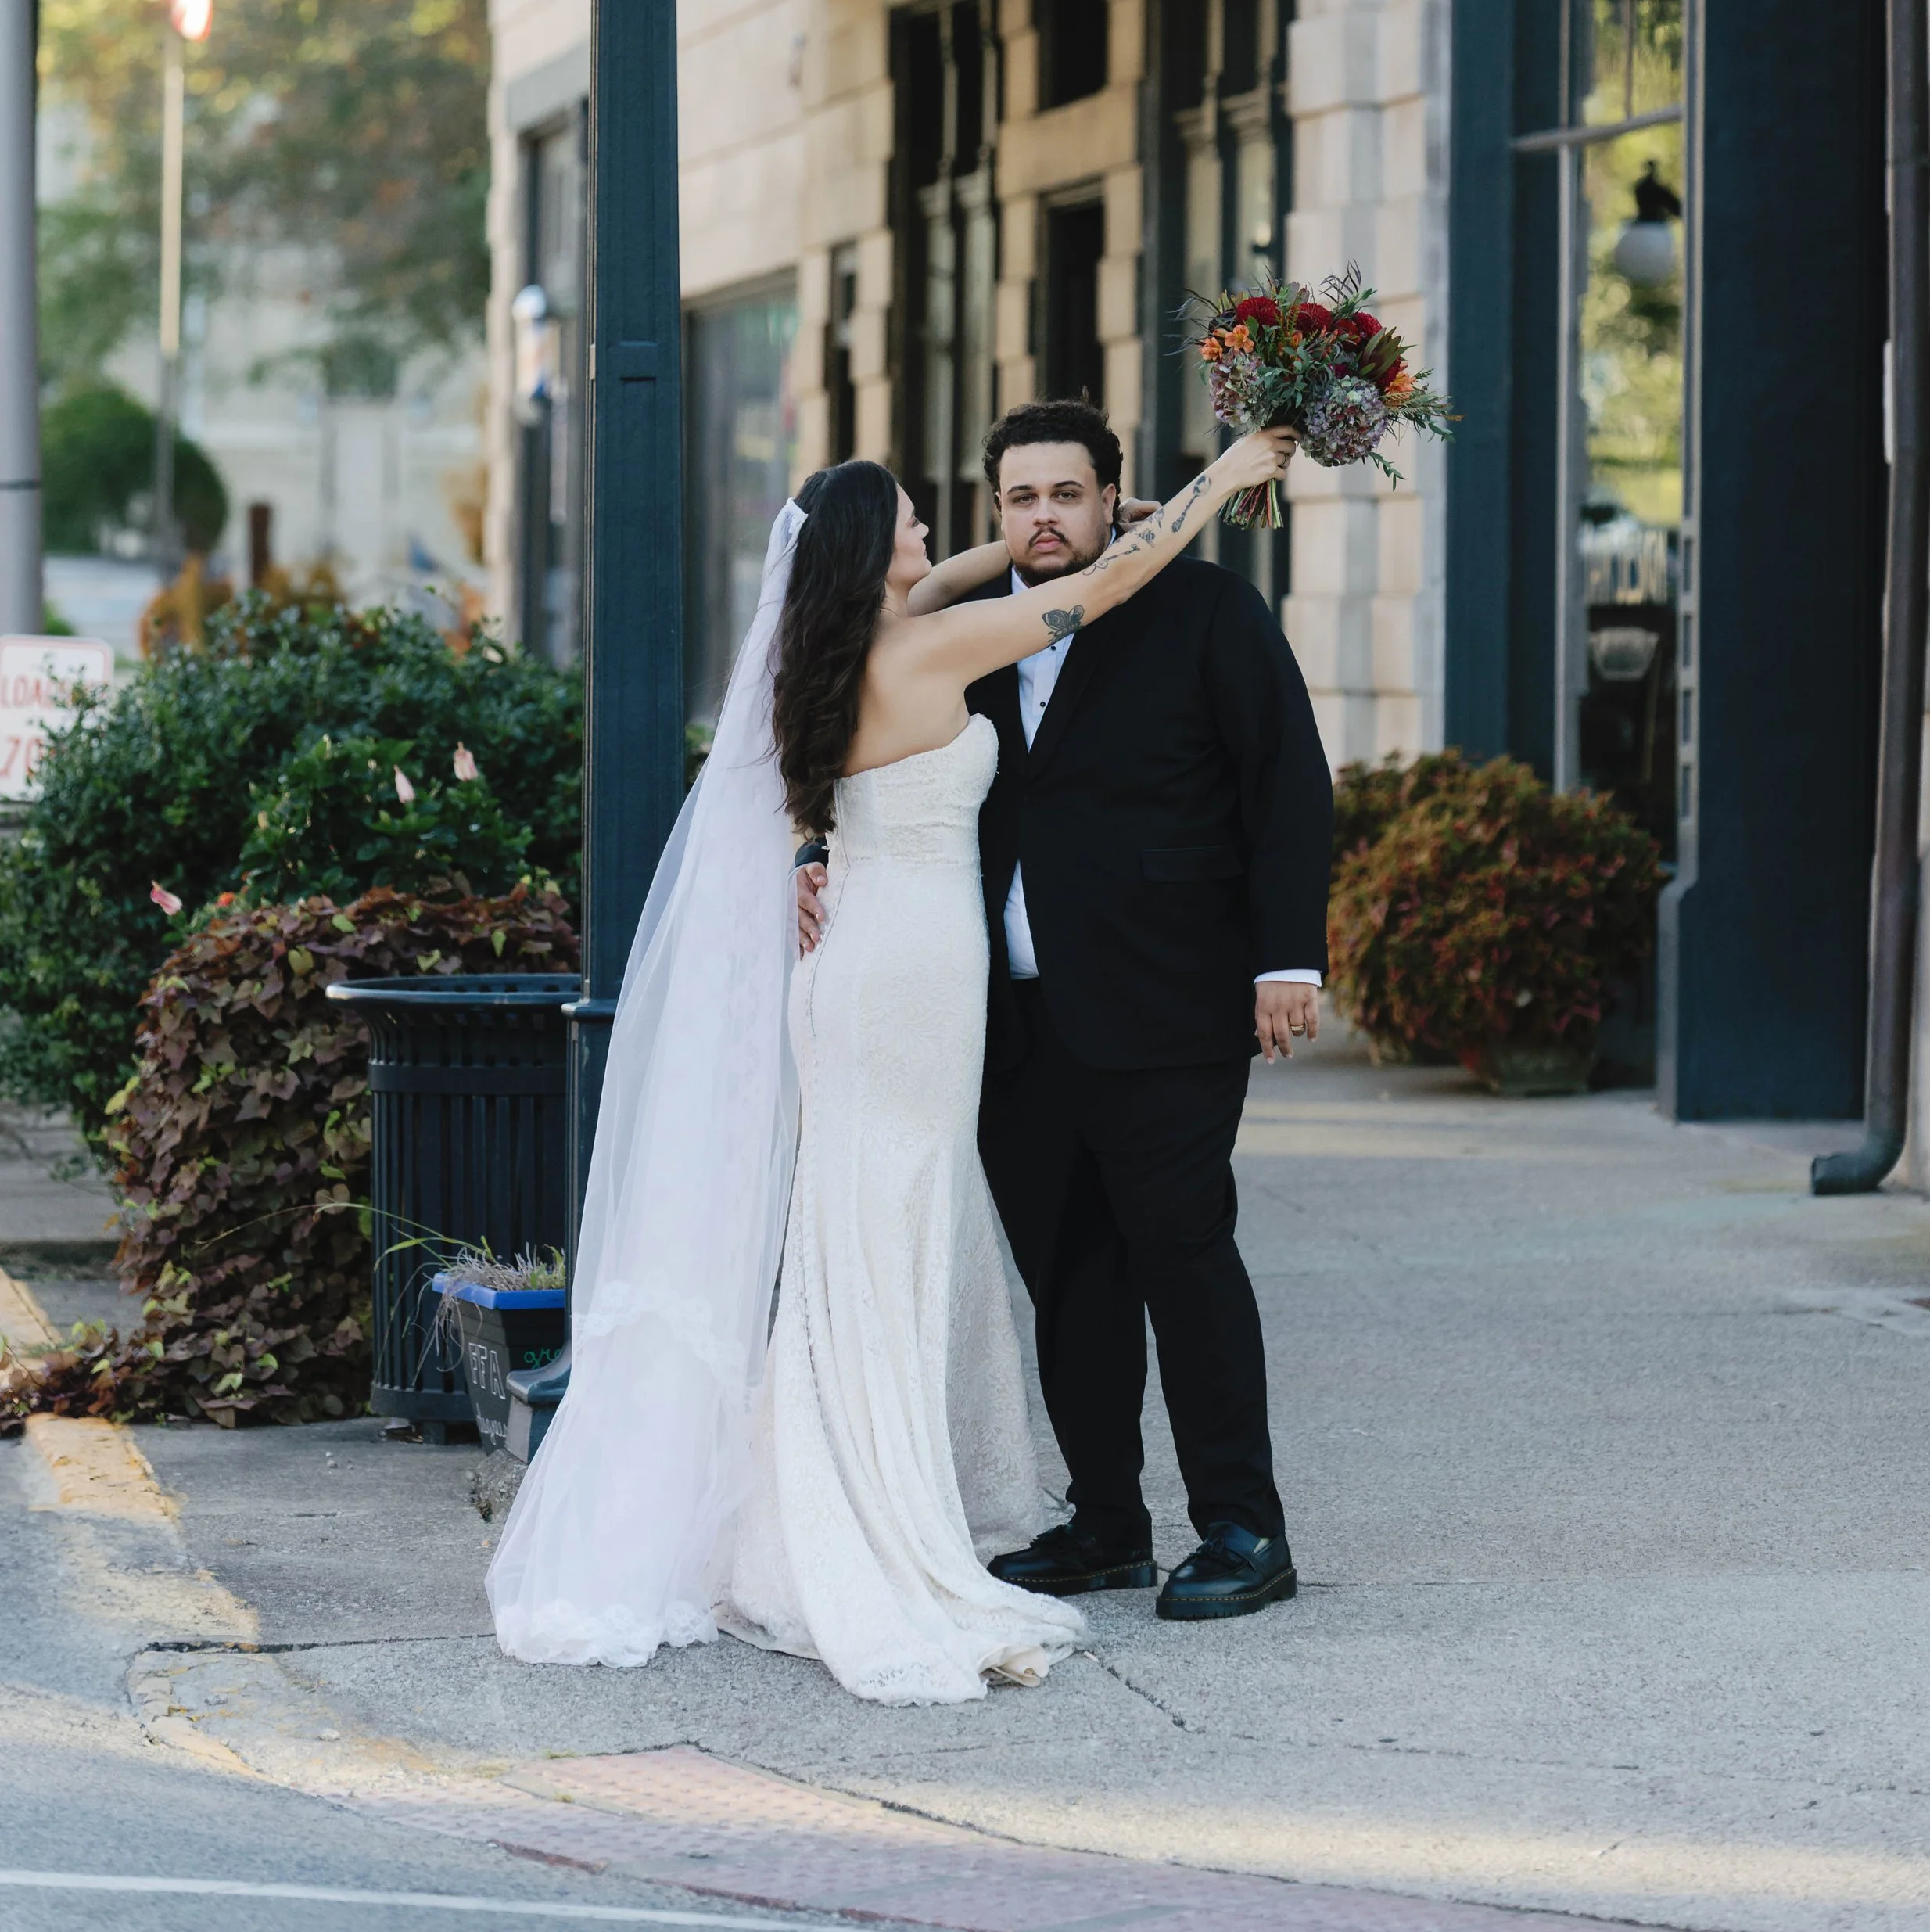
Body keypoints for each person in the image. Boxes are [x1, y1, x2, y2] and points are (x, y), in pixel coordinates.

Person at [486, 420, 1297, 1704]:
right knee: (900, 1231)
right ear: (877, 555)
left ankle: (888, 1492)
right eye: (925, 521)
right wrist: (1216, 481)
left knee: (857, 1232)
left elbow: (997, 574)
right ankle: (894, 1511)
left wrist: (1050, 519)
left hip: (872, 975)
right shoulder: (931, 644)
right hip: (915, 985)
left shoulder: (834, 651)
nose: (943, 536)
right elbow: (1095, 588)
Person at [798, 399, 1333, 1625]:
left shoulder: (1207, 615)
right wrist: (811, 852)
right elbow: (836, 741)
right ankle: (1105, 1520)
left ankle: (1244, 1525)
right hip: (998, 1016)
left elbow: (1286, 784)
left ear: (1114, 498)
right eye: (1020, 499)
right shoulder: (959, 634)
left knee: (1184, 1253)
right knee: (1070, 1276)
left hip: (1170, 1003)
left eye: (1067, 494)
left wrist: (1286, 959)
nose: (1045, 517)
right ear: (998, 512)